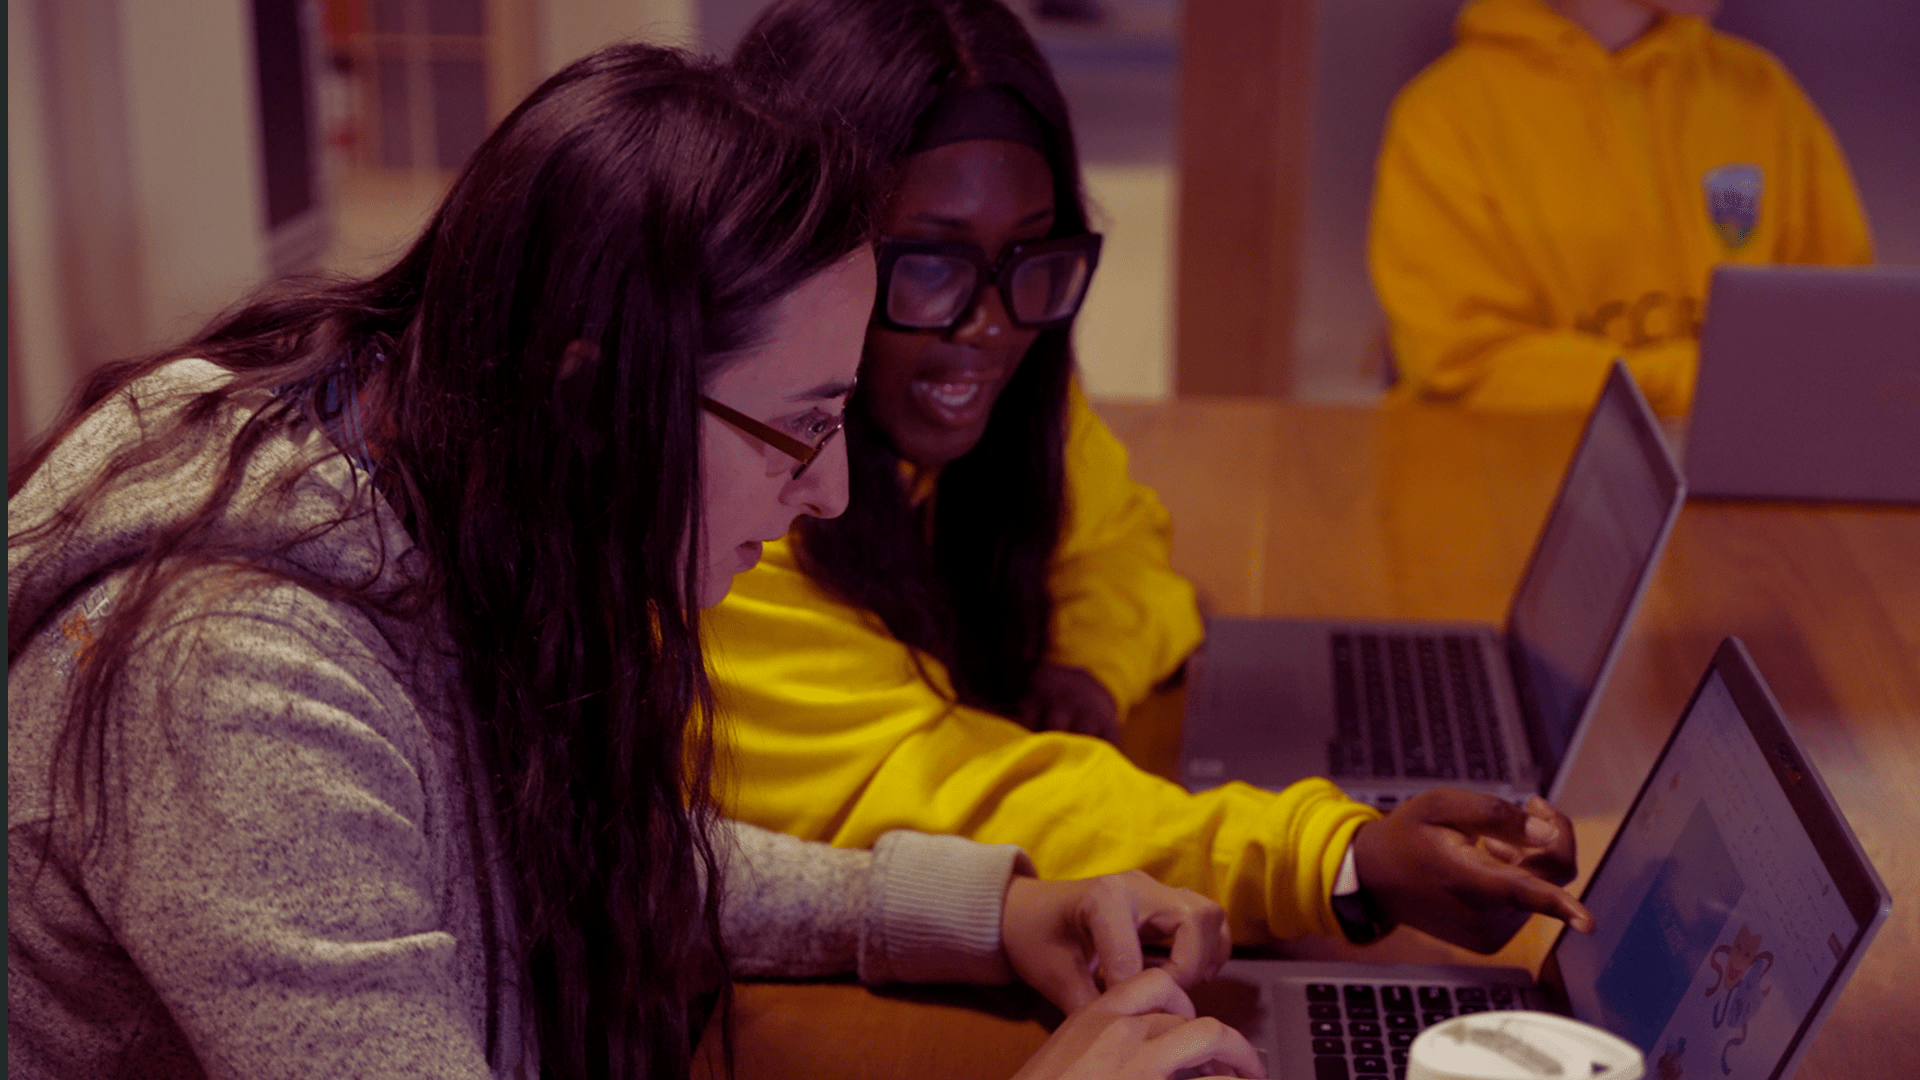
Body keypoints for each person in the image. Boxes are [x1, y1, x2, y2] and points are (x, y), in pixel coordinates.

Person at [7, 46, 1265, 1080]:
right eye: (800, 425)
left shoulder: (454, 474)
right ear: (593, 395)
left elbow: (596, 848)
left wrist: (990, 911)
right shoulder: (236, 694)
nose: (826, 490)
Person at [710, 0, 1598, 952]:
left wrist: (1094, 658)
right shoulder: (726, 503)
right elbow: (940, 792)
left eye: (1032, 254)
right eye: (929, 261)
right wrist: (1332, 857)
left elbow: (1120, 536)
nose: (992, 325)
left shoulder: (989, 362)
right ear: (799, 253)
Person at [1369, 0, 1874, 416]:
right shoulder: (1446, 119)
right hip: (1513, 503)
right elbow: (1466, 368)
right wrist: (1707, 383)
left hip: (1743, 500)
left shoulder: (1762, 93)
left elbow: (1844, 328)